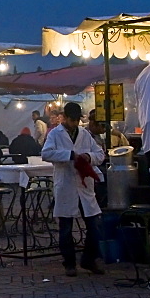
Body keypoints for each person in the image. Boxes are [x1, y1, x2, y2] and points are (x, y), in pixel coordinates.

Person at [41, 102, 106, 277]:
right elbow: (46, 154)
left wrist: (88, 157)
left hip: (84, 185)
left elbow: (100, 154)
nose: (75, 124)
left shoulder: (84, 134)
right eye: (72, 120)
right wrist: (69, 155)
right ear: (65, 117)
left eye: (77, 120)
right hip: (66, 183)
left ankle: (88, 259)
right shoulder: (55, 134)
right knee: (66, 227)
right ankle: (69, 262)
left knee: (94, 225)